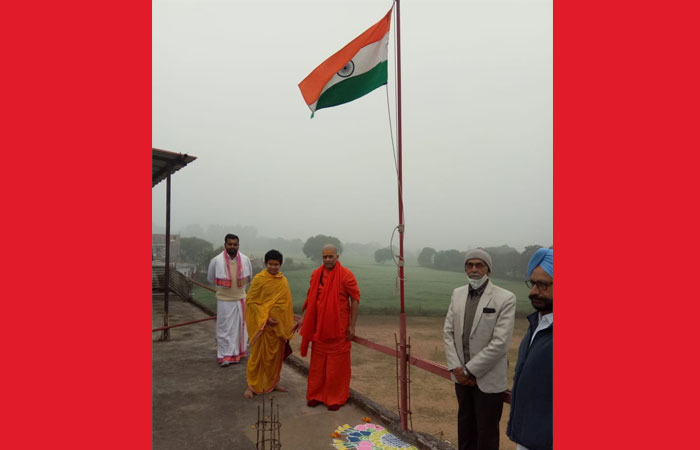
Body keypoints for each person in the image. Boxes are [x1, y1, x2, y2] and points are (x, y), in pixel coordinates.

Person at [443, 248, 516, 450]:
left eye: (479, 265)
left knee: (487, 435)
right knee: (464, 428)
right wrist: (457, 369)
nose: (474, 269)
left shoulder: (505, 298)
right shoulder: (457, 294)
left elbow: (500, 343)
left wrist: (469, 370)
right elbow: (448, 332)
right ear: (465, 269)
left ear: (488, 269)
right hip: (461, 378)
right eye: (470, 265)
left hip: (488, 379)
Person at [294, 244, 360, 411]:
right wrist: (305, 318)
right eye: (325, 257)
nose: (328, 259)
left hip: (339, 328)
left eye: (331, 256)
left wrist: (352, 326)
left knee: (336, 366)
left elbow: (355, 299)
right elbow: (311, 299)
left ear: (337, 257)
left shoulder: (346, 275)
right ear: (322, 257)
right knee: (318, 364)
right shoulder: (316, 274)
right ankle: (316, 395)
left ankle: (335, 398)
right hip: (320, 328)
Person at [507, 248, 553, 450]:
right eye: (532, 283)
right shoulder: (538, 322)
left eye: (542, 284)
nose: (533, 291)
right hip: (526, 438)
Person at [243, 249, 295, 399]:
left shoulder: (283, 280)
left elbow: (287, 304)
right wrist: (265, 318)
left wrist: (284, 322)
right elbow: (251, 301)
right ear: (266, 264)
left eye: (276, 264)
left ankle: (273, 383)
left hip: (278, 328)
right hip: (263, 327)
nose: (273, 267)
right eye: (271, 264)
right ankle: (251, 386)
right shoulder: (259, 279)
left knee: (275, 358)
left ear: (280, 265)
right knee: (257, 358)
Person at [207, 234, 253, 367]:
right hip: (224, 300)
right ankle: (224, 356)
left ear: (238, 245)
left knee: (240, 329)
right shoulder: (216, 261)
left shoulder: (245, 260)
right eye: (230, 244)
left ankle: (238, 353)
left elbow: (250, 276)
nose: (232, 247)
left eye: (235, 244)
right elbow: (210, 278)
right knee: (224, 329)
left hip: (240, 299)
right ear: (225, 245)